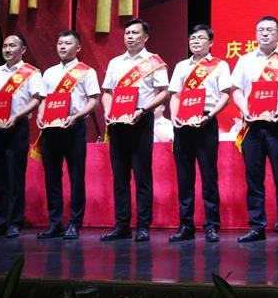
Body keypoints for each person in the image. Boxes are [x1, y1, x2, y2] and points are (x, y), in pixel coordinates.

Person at [230, 16, 278, 243]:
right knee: (254, 178)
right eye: (260, 29)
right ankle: (256, 226)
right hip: (252, 125)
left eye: (270, 30)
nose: (264, 33)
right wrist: (245, 110)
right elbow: (236, 90)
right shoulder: (245, 60)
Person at [100, 18, 169, 243]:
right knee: (120, 177)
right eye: (127, 33)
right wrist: (108, 111)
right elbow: (107, 92)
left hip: (141, 120)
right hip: (117, 123)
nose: (130, 37)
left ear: (145, 37)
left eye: (135, 33)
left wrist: (143, 109)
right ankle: (121, 225)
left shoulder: (154, 62)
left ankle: (142, 225)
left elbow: (163, 92)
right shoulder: (115, 63)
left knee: (142, 176)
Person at [166, 24, 231, 243]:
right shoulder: (181, 66)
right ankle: (186, 225)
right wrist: (174, 117)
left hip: (206, 122)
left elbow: (225, 95)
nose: (195, 41)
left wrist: (210, 115)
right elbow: (175, 95)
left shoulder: (219, 65)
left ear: (210, 42)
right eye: (192, 38)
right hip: (182, 124)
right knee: (184, 178)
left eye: (201, 38)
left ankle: (212, 226)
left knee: (209, 177)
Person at [0, 34, 44, 238]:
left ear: (23, 50)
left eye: (12, 46)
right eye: (5, 46)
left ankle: (14, 221)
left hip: (17, 127)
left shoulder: (31, 73)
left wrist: (16, 116)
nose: (7, 49)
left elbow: (37, 99)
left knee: (15, 177)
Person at [36, 30, 100, 240]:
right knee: (52, 177)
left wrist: (77, 116)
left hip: (74, 127)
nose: (62, 47)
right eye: (60, 43)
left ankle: (74, 223)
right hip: (50, 129)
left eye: (67, 43)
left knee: (76, 177)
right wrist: (40, 115)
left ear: (78, 48)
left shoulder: (86, 72)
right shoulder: (49, 72)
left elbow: (94, 100)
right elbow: (44, 100)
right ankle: (55, 223)